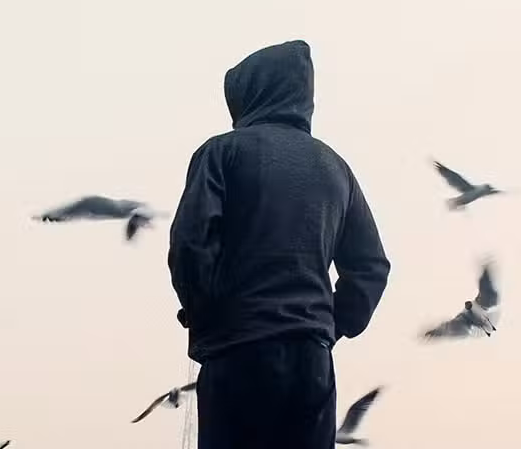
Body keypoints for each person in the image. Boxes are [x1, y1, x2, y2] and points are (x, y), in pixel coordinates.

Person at [168, 39, 391, 449]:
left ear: (252, 93)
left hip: (238, 351)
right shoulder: (336, 169)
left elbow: (191, 245)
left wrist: (205, 311)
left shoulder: (221, 153)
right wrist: (330, 325)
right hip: (312, 364)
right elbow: (371, 267)